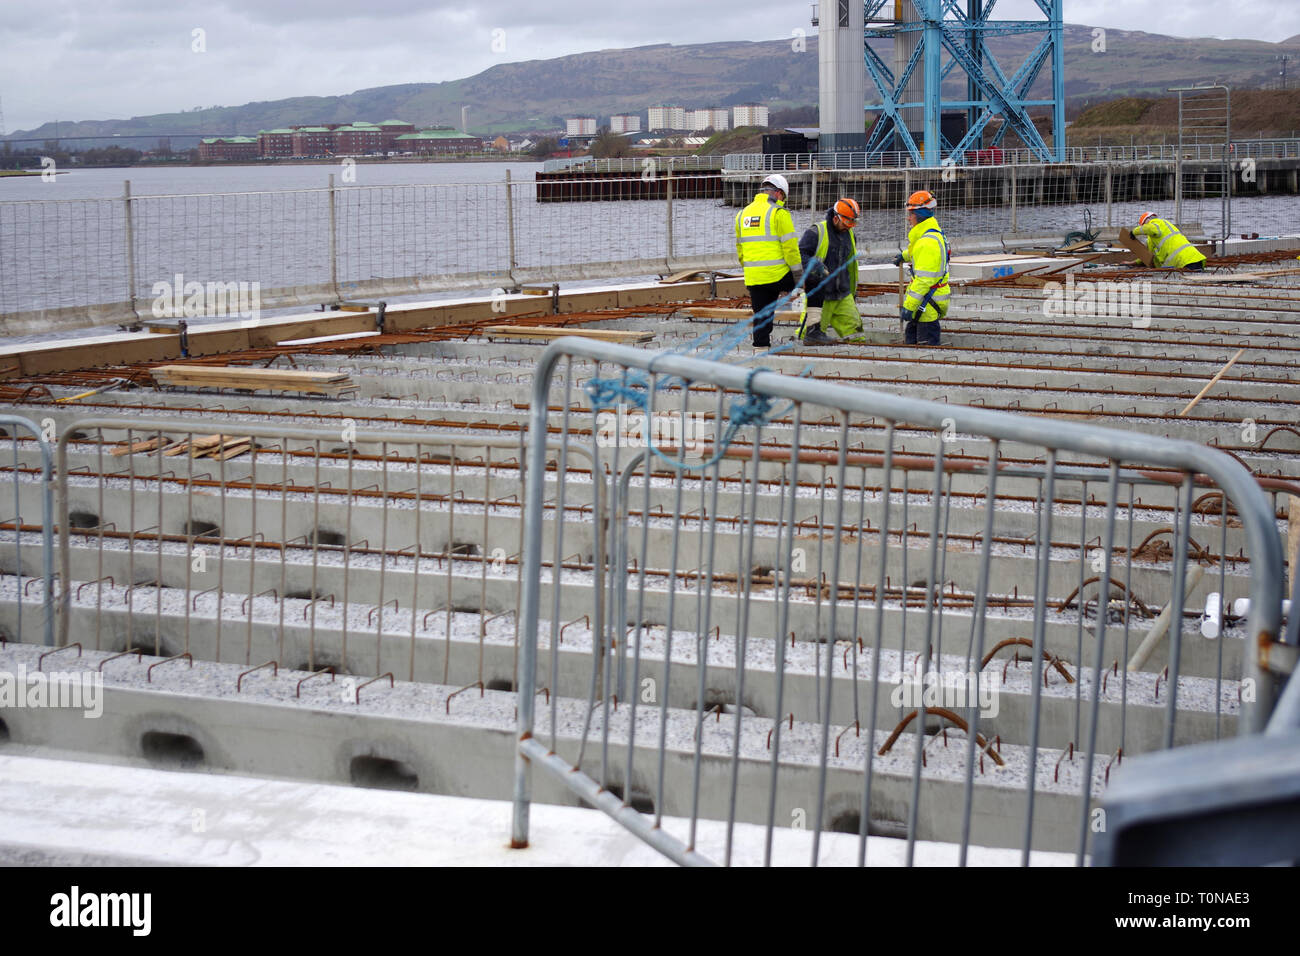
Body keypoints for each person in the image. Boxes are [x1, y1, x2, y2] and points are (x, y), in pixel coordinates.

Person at [734, 173, 802, 348]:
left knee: (761, 317)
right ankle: (814, 328)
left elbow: (740, 250)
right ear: (778, 193)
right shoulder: (779, 213)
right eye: (784, 197)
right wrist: (799, 279)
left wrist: (752, 270)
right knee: (815, 278)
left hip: (754, 277)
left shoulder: (742, 215)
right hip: (778, 276)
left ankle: (760, 350)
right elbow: (791, 250)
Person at [796, 197, 861, 346]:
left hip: (843, 294)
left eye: (851, 224)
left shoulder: (850, 235)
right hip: (821, 297)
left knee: (857, 336)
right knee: (808, 338)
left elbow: (851, 266)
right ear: (836, 218)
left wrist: (853, 291)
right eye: (846, 224)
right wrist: (813, 266)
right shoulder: (816, 232)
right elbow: (800, 255)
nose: (849, 228)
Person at [893, 190, 950, 346]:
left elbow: (924, 280)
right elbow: (918, 252)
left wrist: (909, 306)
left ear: (919, 215)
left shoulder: (927, 242)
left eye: (911, 214)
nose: (908, 218)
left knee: (926, 352)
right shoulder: (929, 235)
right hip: (925, 303)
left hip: (927, 304)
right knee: (912, 342)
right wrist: (905, 256)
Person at [1132, 212, 1207, 271]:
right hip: (1194, 259)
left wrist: (1133, 232)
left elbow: (1149, 228)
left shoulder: (1157, 223)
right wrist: (1135, 262)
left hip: (1183, 262)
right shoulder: (1164, 228)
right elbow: (1149, 255)